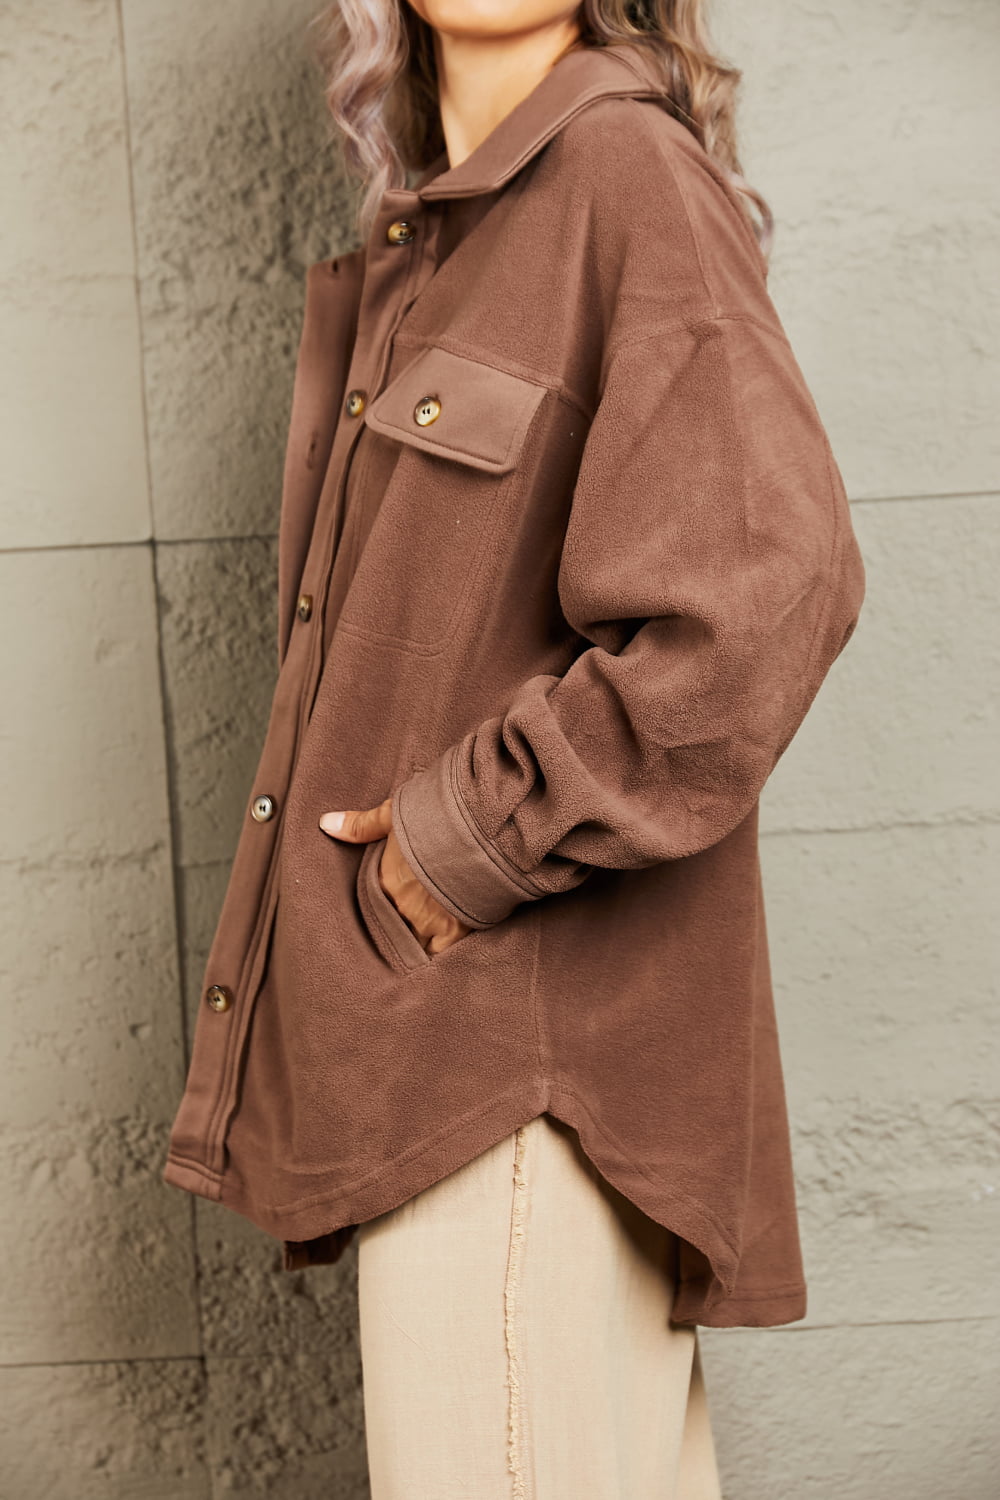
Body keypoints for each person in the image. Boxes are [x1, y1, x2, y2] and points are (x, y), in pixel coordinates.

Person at [162, 2, 867, 1495]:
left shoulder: (627, 177)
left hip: (523, 1102)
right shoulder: (450, 243)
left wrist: (463, 842)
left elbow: (767, 593)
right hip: (463, 1096)